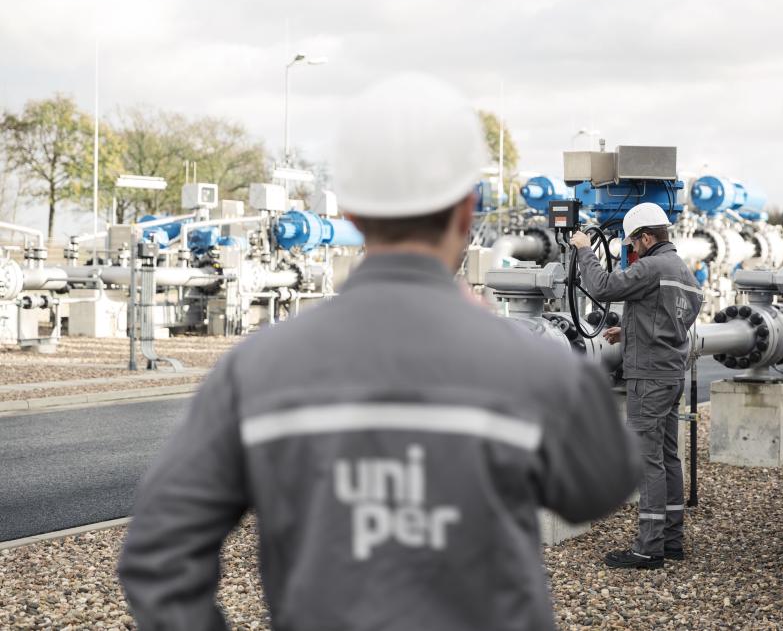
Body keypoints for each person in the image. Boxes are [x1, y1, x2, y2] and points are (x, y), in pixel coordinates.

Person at [117, 73, 640, 630]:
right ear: (466, 211)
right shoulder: (532, 368)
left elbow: (158, 556)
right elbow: (601, 484)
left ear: (352, 214)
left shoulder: (256, 369)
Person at [570, 202, 703, 569]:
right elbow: (667, 324)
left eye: (632, 244)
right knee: (668, 457)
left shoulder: (652, 266)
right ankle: (672, 541)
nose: (631, 251)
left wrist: (583, 248)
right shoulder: (683, 272)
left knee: (646, 462)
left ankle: (648, 549)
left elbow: (601, 285)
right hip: (671, 374)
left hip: (648, 378)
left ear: (646, 237)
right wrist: (627, 332)